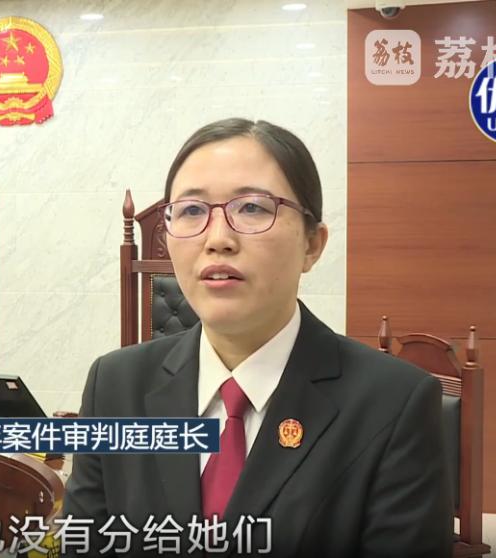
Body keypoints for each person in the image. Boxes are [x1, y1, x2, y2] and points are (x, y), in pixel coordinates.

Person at [61, 118, 452, 557]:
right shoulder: (115, 385)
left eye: (251, 208)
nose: (218, 239)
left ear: (312, 245)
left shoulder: (393, 404)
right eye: (191, 211)